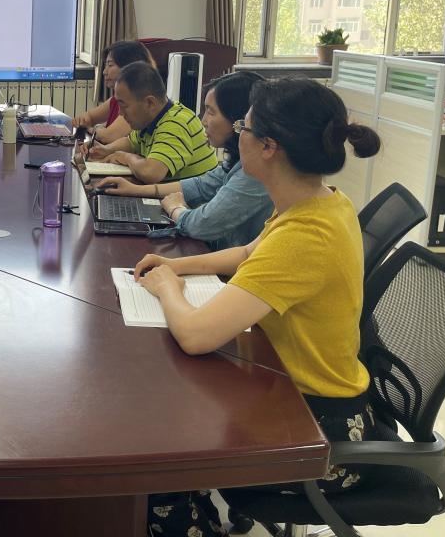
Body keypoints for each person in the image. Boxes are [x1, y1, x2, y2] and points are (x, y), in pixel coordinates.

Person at [133, 77, 384, 536]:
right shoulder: (320, 202)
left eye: (243, 128)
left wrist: (168, 287)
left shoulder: (304, 236)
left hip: (317, 436)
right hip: (300, 399)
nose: (237, 136)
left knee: (155, 456)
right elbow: (250, 252)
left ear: (269, 147)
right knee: (170, 421)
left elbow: (196, 336)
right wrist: (177, 266)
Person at [92, 71, 272, 250]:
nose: (203, 121)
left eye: (211, 112)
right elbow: (201, 185)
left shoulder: (254, 173)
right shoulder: (238, 162)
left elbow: (201, 225)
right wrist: (136, 190)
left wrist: (175, 208)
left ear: (240, 120)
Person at [88, 61, 218, 183]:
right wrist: (106, 150)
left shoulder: (175, 123)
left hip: (197, 199)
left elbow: (151, 172)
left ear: (150, 103)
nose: (120, 113)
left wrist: (126, 157)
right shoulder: (152, 118)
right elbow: (131, 142)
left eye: (124, 105)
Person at [72, 40, 156, 145]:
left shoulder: (138, 102)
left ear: (129, 67)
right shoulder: (116, 99)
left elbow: (108, 137)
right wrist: (83, 121)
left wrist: (93, 128)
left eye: (110, 65)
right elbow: (90, 117)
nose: (104, 72)